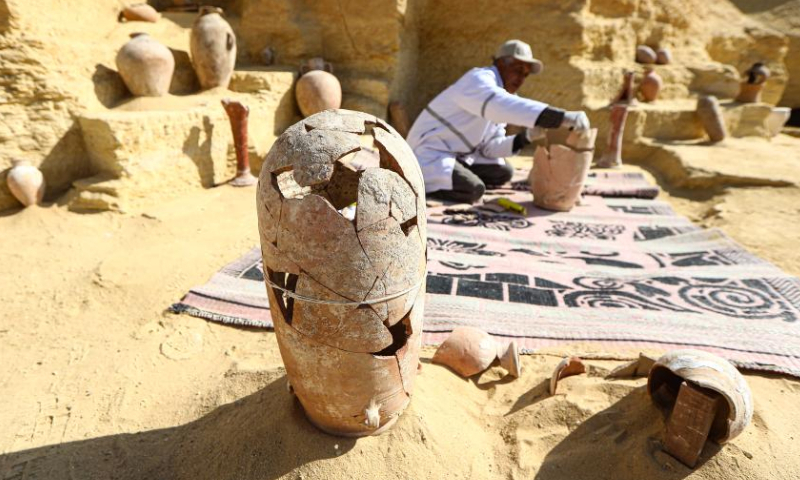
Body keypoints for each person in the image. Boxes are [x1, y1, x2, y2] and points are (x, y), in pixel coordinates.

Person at [406, 39, 590, 203]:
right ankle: (429, 186)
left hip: (458, 155)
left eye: (525, 75)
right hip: (429, 153)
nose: (520, 79)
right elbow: (500, 105)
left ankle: (455, 178)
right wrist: (559, 117)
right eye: (518, 70)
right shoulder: (479, 80)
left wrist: (526, 137)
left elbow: (490, 147)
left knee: (504, 172)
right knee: (474, 190)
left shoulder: (502, 94)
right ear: (501, 63)